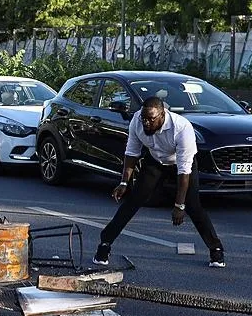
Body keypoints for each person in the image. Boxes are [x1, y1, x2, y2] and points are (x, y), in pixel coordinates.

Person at [93, 96, 226, 268]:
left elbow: (184, 171)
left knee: (193, 205)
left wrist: (179, 206)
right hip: (155, 161)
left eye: (151, 119)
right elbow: (132, 151)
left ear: (162, 115)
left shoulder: (182, 128)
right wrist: (124, 182)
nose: (146, 123)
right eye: (144, 118)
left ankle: (216, 250)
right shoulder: (137, 121)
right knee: (133, 200)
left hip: (181, 164)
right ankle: (105, 245)